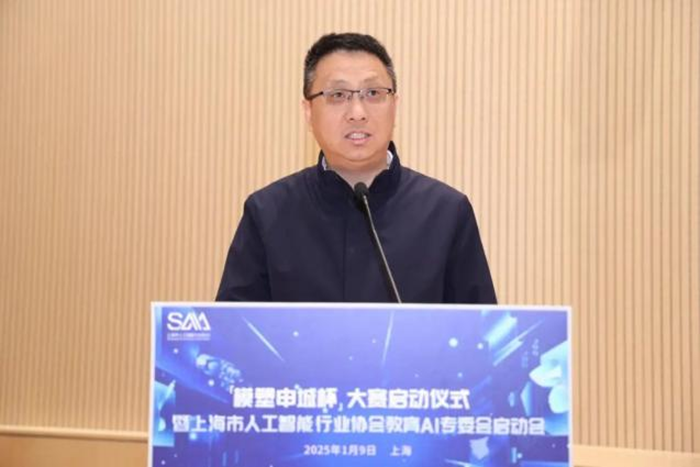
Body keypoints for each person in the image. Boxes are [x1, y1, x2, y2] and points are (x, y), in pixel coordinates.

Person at [216, 32, 496, 304]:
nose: (358, 113)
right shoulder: (267, 213)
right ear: (308, 112)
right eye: (338, 95)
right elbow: (233, 329)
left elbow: (478, 330)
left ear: (395, 106)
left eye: (373, 93)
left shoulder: (447, 213)